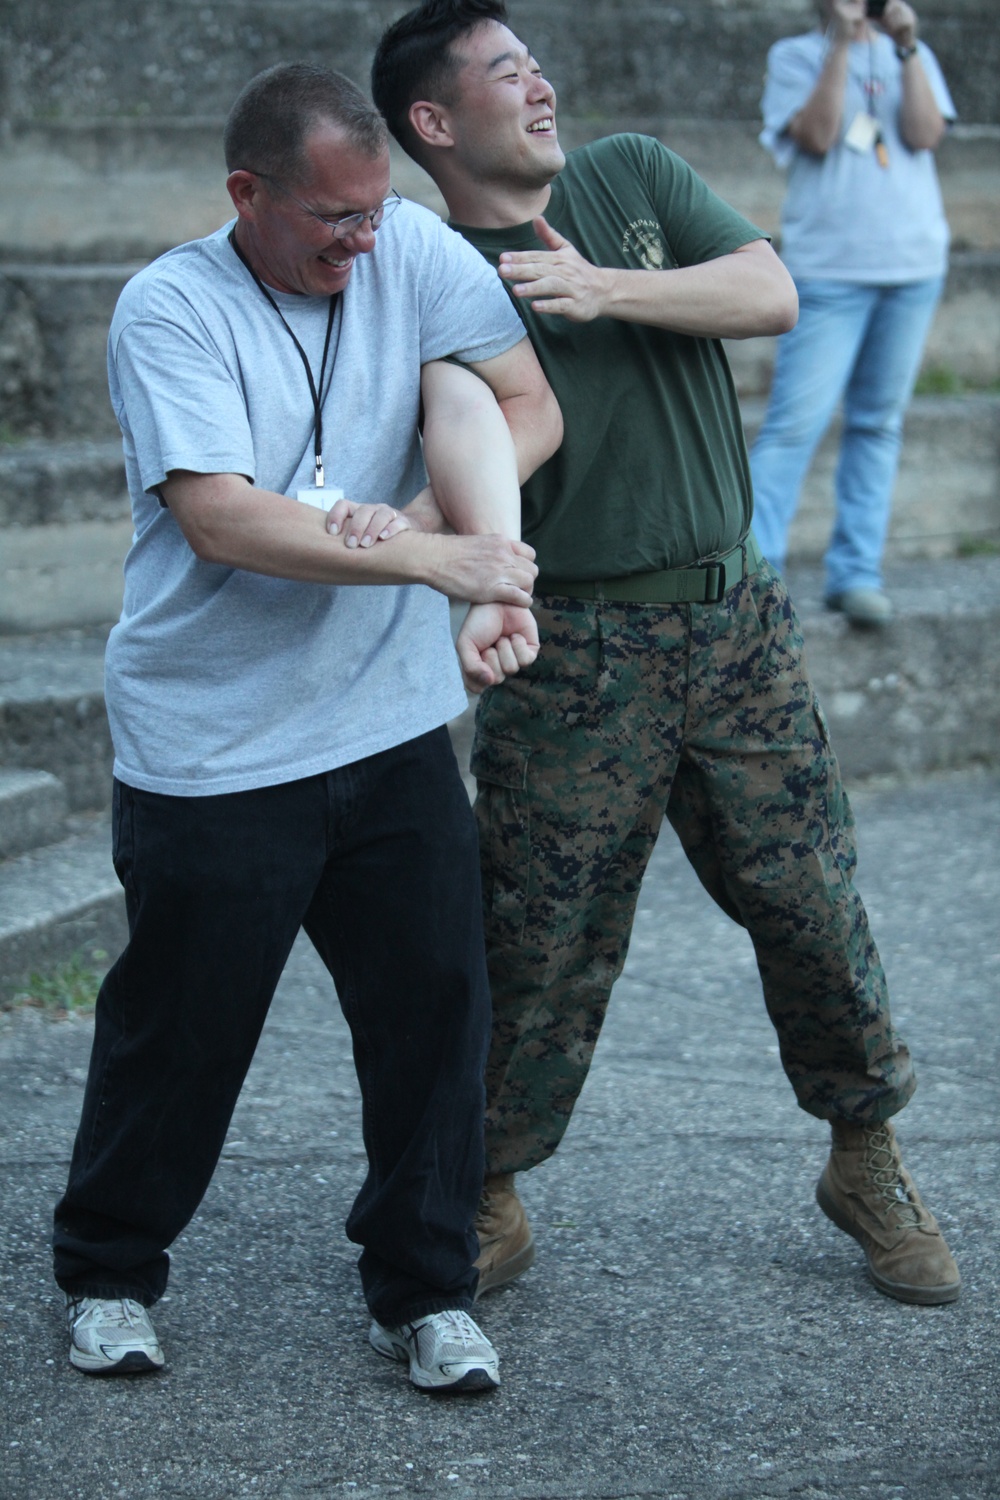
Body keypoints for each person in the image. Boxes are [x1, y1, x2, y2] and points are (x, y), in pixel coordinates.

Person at [369, 0, 961, 1310]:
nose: (539, 87)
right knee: (538, 939)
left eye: (535, 63)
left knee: (813, 906)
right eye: (504, 73)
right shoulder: (425, 271)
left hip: (732, 622)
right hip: (573, 644)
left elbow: (771, 287)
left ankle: (865, 1155)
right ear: (432, 120)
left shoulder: (627, 174)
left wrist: (601, 285)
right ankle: (487, 1185)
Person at [52, 59, 563, 1394]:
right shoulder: (172, 307)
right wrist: (432, 566)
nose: (363, 239)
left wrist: (467, 544)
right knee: (181, 1028)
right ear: (249, 194)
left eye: (375, 209)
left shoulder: (412, 250)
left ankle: (425, 1287)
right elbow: (222, 516)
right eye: (331, 216)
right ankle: (110, 1270)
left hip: (385, 728)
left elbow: (521, 405)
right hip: (214, 744)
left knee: (437, 1013)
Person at [749, 0, 955, 626]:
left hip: (913, 266)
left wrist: (908, 45)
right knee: (793, 426)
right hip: (830, 272)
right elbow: (818, 133)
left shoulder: (911, 54)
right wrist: (841, 43)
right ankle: (757, 578)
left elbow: (924, 134)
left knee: (878, 424)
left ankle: (857, 573)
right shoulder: (795, 56)